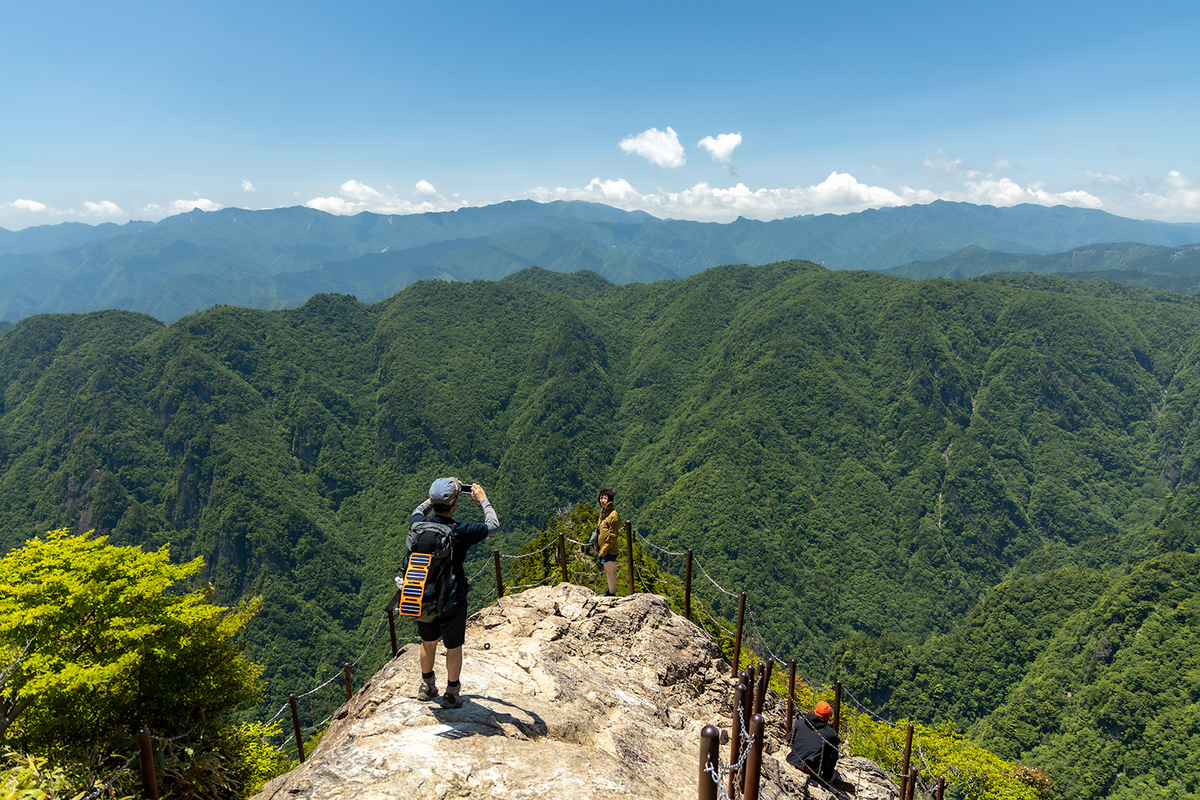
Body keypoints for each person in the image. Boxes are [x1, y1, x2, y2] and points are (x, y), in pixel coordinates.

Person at [409, 477, 499, 708]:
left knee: (428, 642)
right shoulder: (460, 531)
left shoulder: (417, 526)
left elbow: (418, 510)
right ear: (455, 503)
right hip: (452, 598)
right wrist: (483, 500)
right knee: (453, 646)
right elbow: (493, 525)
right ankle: (451, 692)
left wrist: (434, 498)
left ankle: (427, 686)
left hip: (423, 596)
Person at [785, 701, 841, 782]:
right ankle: (827, 777)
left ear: (815, 711)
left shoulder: (801, 721)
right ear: (828, 717)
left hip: (792, 759)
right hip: (809, 768)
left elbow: (789, 738)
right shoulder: (830, 734)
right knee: (834, 748)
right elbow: (837, 741)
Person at [596, 488, 620, 597]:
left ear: (610, 500)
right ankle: (610, 591)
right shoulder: (604, 513)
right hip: (603, 548)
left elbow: (613, 535)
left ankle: (612, 593)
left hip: (610, 549)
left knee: (610, 571)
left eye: (605, 498)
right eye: (601, 498)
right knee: (607, 570)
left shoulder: (613, 515)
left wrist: (604, 548)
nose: (602, 500)